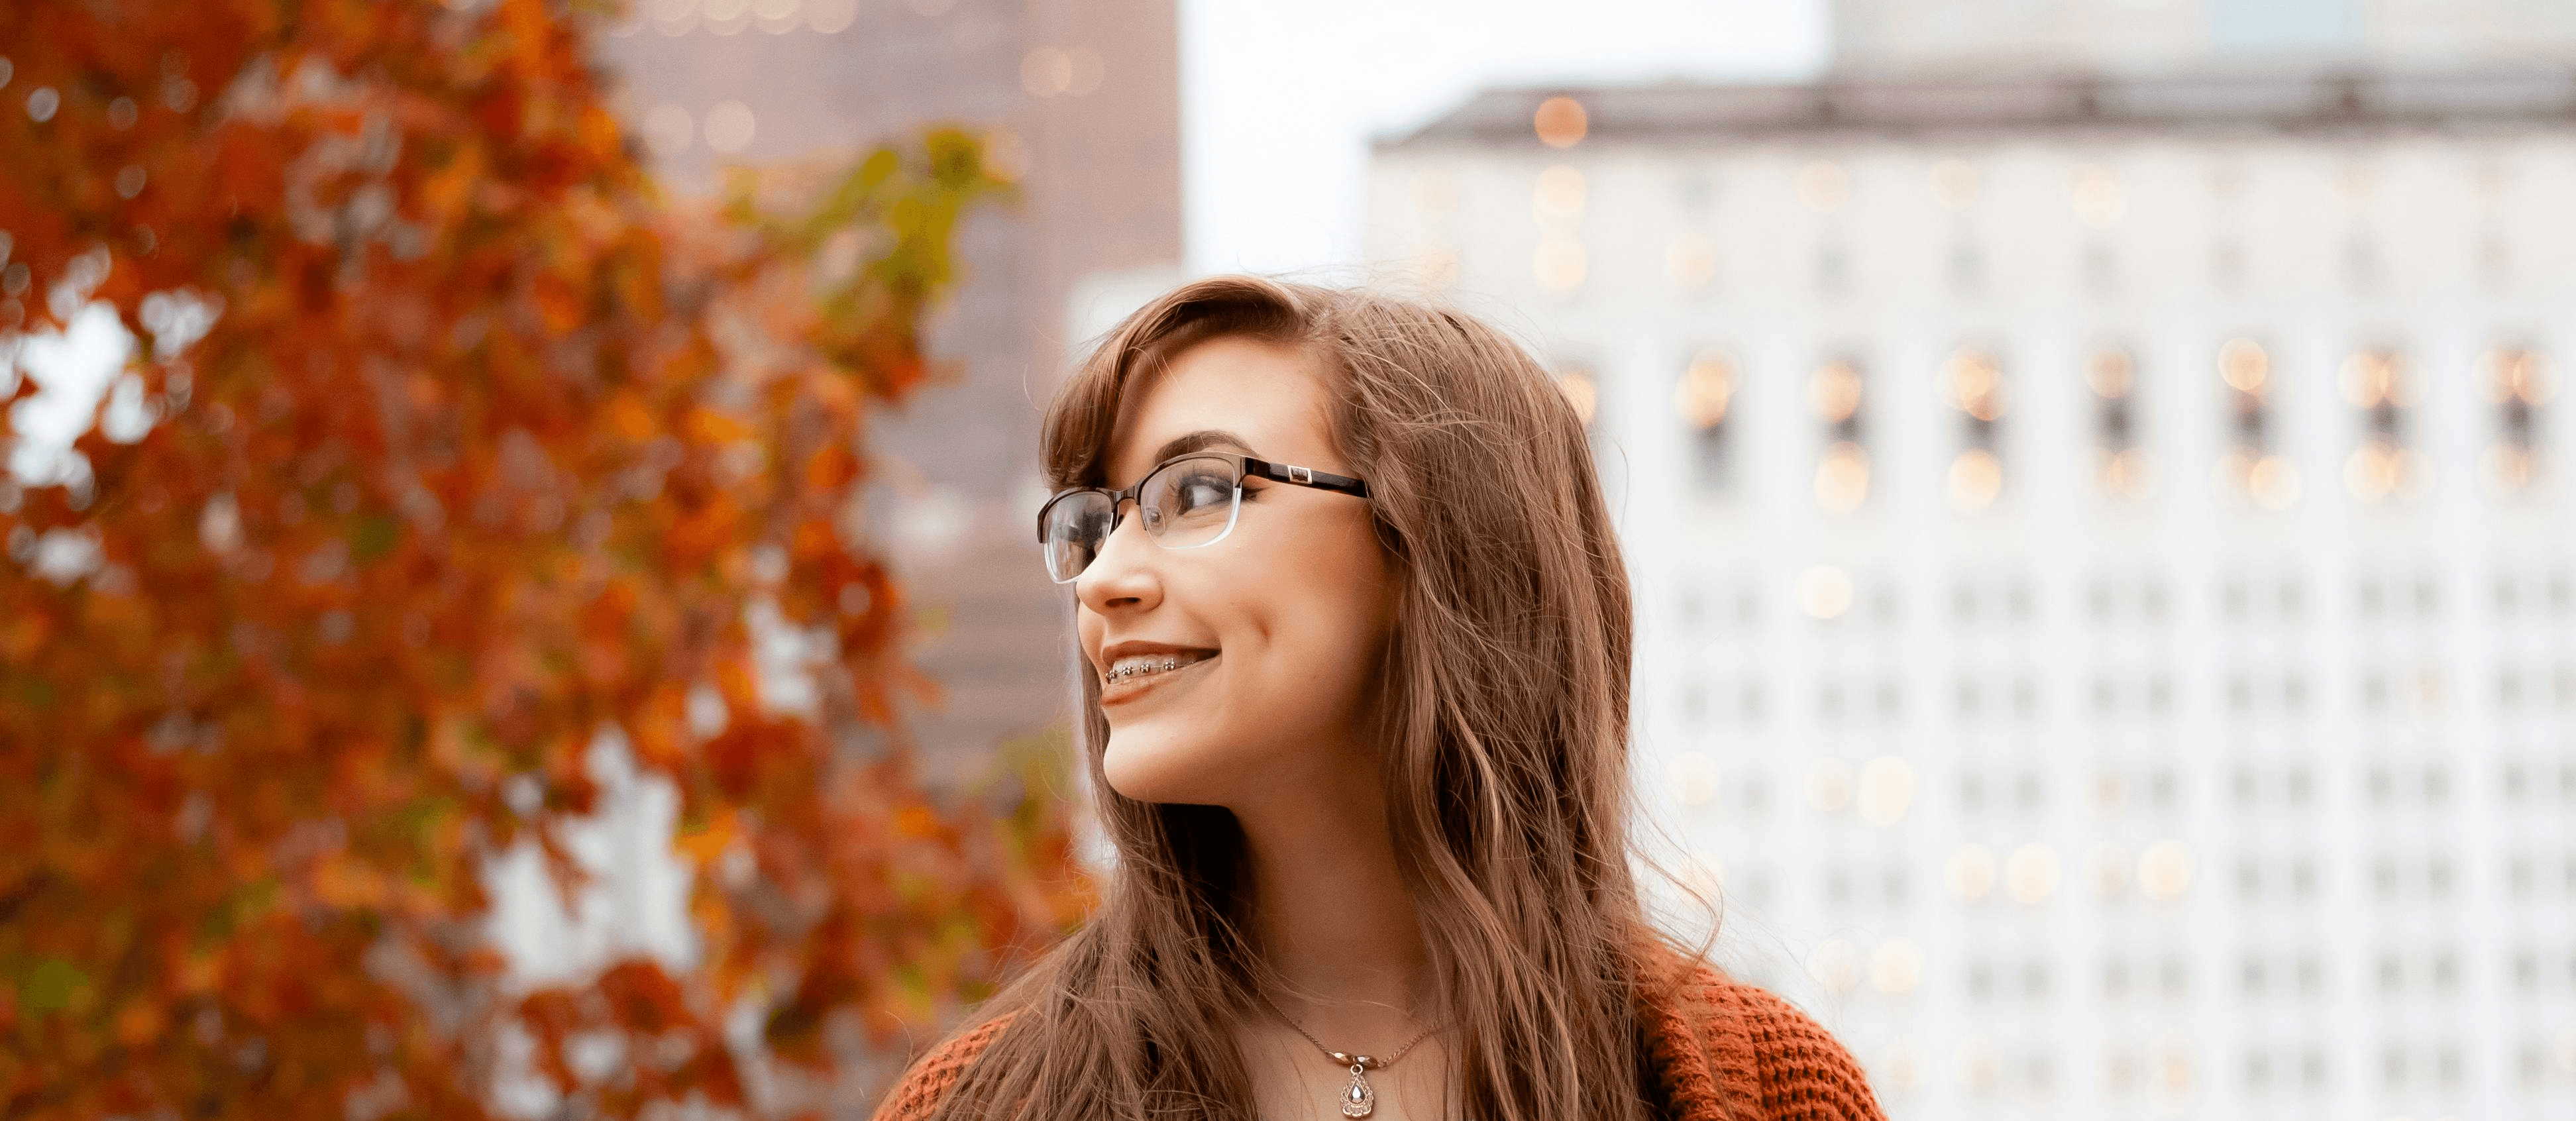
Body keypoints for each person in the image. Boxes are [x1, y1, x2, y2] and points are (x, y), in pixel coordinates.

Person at [874, 277, 1885, 1121]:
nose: (1102, 580)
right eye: (1094, 524)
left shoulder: (1769, 1091)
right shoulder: (980, 1102)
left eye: (1198, 493)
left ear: (1428, 547)